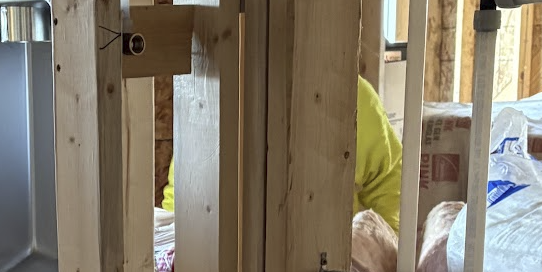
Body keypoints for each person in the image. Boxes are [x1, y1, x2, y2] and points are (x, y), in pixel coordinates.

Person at [162, 73, 403, 233]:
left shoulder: (352, 96)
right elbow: (185, 191)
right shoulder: (215, 97)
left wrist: (382, 252)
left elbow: (387, 179)